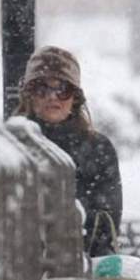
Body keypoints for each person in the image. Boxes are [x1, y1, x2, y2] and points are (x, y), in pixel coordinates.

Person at [15, 45, 122, 257]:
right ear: (29, 94)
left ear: (75, 97)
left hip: (83, 267)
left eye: (63, 89)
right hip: (21, 268)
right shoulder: (11, 145)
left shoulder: (98, 149)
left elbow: (106, 222)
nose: (52, 97)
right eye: (41, 88)